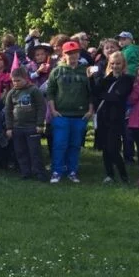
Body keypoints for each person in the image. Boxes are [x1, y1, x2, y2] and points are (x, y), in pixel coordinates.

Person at [46, 41, 94, 184]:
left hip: (80, 115)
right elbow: (50, 92)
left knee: (75, 144)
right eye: (69, 53)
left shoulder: (86, 70)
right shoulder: (57, 71)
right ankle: (57, 171)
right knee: (60, 144)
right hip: (61, 114)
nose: (73, 55)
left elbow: (92, 92)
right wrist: (53, 110)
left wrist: (91, 110)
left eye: (75, 53)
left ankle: (72, 171)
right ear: (63, 54)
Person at [91, 52, 133, 183]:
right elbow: (95, 92)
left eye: (118, 63)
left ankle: (123, 175)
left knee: (113, 148)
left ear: (123, 64)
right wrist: (91, 78)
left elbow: (118, 97)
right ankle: (109, 174)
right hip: (103, 116)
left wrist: (103, 95)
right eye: (113, 63)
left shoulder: (127, 79)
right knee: (104, 147)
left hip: (116, 118)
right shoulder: (106, 78)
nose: (115, 66)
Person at [5, 67, 46, 181]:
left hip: (32, 126)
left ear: (25, 78)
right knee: (20, 151)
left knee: (34, 151)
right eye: (13, 81)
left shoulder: (34, 90)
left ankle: (39, 173)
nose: (16, 83)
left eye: (18, 80)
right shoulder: (11, 93)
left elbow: (41, 107)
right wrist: (9, 127)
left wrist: (40, 124)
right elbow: (8, 111)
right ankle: (25, 172)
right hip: (17, 127)